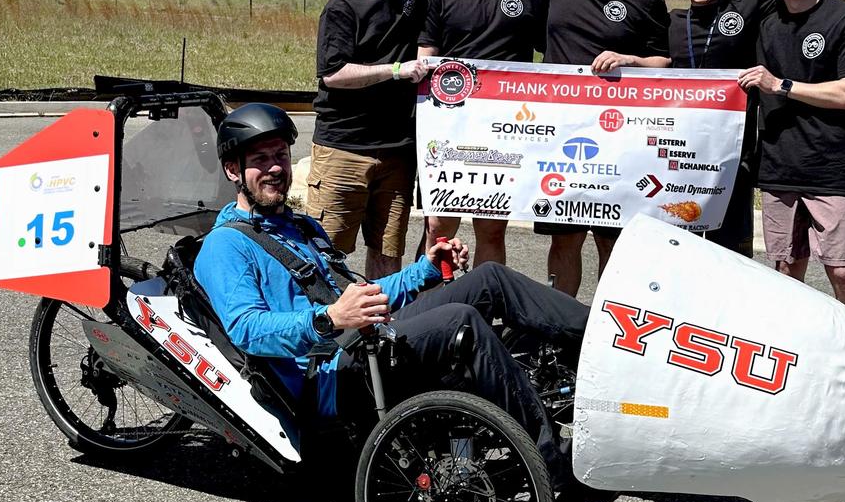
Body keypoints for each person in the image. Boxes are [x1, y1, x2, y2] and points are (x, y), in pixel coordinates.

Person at [195, 103, 588, 478]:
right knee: (460, 322)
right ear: (233, 170)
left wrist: (425, 271)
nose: (275, 168)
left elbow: (363, 292)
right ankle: (551, 462)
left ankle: (605, 347)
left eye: (280, 155)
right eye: (260, 160)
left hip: (365, 340)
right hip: (330, 378)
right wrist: (329, 318)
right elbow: (248, 331)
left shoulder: (300, 227)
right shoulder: (225, 246)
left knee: (490, 278)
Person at [670, 0, 845, 257]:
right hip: (680, 155)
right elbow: (655, 63)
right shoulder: (670, 21)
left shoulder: (748, 4)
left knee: (730, 255)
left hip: (734, 157)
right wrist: (626, 61)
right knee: (678, 251)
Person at [737, 0, 845, 321]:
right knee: (786, 269)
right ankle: (791, 357)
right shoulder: (765, 19)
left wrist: (780, 84)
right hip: (779, 166)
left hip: (833, 168)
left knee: (841, 270)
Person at [530, 0, 671, 295]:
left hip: (622, 139)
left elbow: (665, 62)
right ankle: (560, 329)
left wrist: (631, 61)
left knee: (614, 240)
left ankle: (604, 331)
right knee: (565, 239)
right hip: (563, 137)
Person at [419, 0, 542, 267]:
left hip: (504, 131)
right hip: (449, 127)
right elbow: (427, 56)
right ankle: (430, 307)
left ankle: (487, 306)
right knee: (438, 227)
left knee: (492, 230)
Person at [308, 0, 431, 278]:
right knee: (324, 252)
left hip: (397, 152)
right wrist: (396, 70)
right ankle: (324, 327)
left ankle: (379, 328)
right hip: (344, 148)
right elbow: (333, 74)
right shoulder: (344, 5)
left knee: (388, 252)